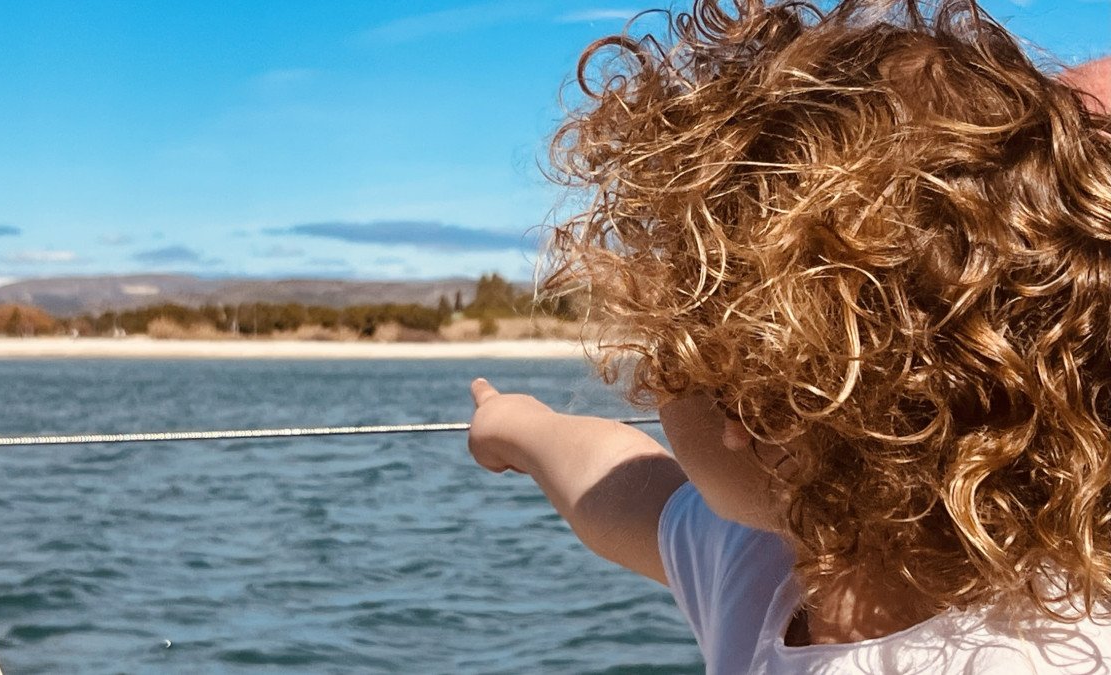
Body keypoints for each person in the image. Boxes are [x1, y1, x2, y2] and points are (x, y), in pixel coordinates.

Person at [466, 0, 1111, 672]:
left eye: (664, 352)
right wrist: (520, 425)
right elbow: (620, 485)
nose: (647, 382)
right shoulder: (767, 559)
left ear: (758, 401)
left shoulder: (758, 569)